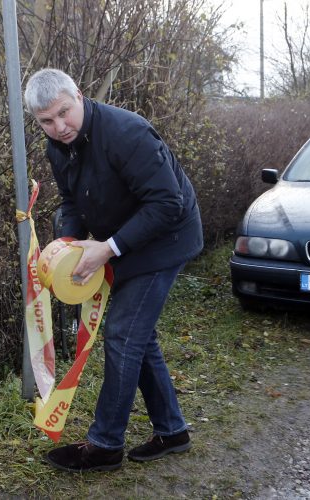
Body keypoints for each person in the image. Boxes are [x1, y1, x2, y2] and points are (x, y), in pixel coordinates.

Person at [24, 68, 203, 472]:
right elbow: (71, 202)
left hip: (165, 239)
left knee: (123, 335)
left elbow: (167, 204)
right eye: (46, 121)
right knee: (138, 337)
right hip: (121, 240)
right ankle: (172, 431)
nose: (59, 126)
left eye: (64, 113)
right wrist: (66, 248)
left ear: (80, 96)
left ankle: (105, 445)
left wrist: (107, 248)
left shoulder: (127, 133)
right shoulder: (59, 145)